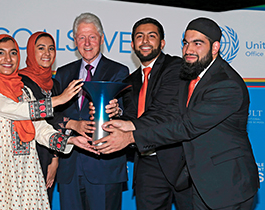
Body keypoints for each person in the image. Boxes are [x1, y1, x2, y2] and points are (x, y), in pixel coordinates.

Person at [94, 17, 260, 209]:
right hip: (199, 182)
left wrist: (131, 137)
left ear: (215, 48)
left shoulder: (226, 84)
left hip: (227, 185)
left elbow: (187, 126)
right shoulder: (190, 77)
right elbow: (170, 112)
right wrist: (128, 124)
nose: (189, 50)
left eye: (198, 43)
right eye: (186, 43)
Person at [0, 34, 98, 210]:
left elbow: (39, 128)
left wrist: (70, 140)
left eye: (13, 53)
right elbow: (11, 109)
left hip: (25, 171)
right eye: (0, 53)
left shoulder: (24, 92)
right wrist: (59, 100)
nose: (8, 59)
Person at [55, 12, 129, 210]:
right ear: (74, 40)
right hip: (69, 165)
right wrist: (73, 124)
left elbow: (128, 112)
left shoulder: (119, 72)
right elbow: (50, 115)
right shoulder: (63, 73)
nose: (87, 43)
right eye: (81, 37)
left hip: (104, 165)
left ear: (102, 39)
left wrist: (117, 111)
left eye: (92, 37)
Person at [120, 17, 192, 210]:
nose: (145, 41)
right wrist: (112, 117)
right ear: (133, 44)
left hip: (181, 161)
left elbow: (162, 111)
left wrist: (124, 128)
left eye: (151, 36)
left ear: (162, 43)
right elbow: (132, 116)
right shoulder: (129, 81)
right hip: (147, 162)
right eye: (139, 36)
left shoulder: (176, 67)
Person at [19, 31, 62, 209]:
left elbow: (58, 124)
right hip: (24, 157)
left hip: (47, 156)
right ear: (31, 51)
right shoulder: (19, 81)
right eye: (41, 48)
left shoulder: (56, 85)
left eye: (51, 48)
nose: (47, 53)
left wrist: (55, 159)